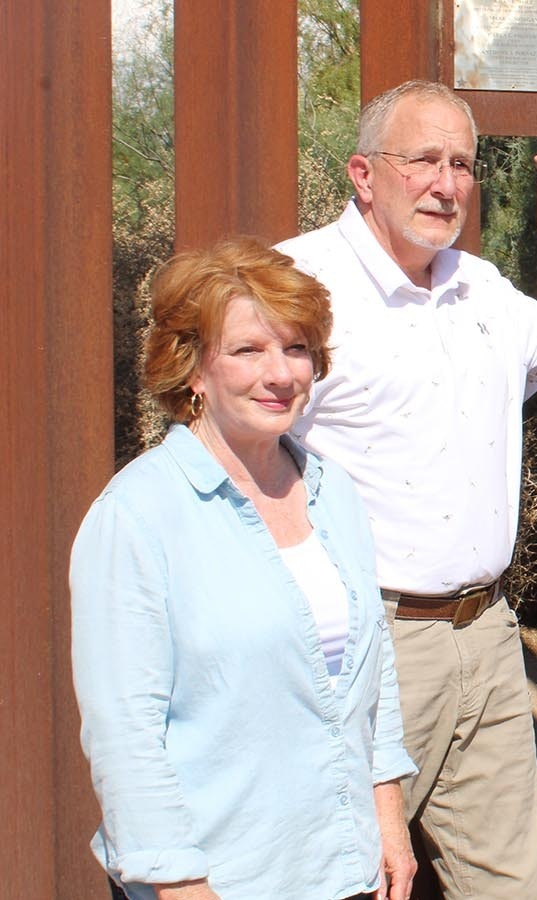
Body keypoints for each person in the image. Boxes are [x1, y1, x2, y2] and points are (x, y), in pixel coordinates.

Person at [276, 80, 537, 898]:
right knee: (349, 877)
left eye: (464, 165)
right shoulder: (297, 286)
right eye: (424, 161)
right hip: (366, 646)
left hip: (488, 635)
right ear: (363, 175)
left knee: (510, 886)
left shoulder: (482, 289)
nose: (447, 183)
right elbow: (237, 465)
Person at [71, 237, 416, 900]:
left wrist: (386, 819)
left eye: (296, 348)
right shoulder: (137, 518)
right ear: (193, 369)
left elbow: (375, 674)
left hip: (341, 870)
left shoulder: (331, 491)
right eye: (248, 350)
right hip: (220, 882)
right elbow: (125, 732)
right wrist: (180, 883)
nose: (281, 373)